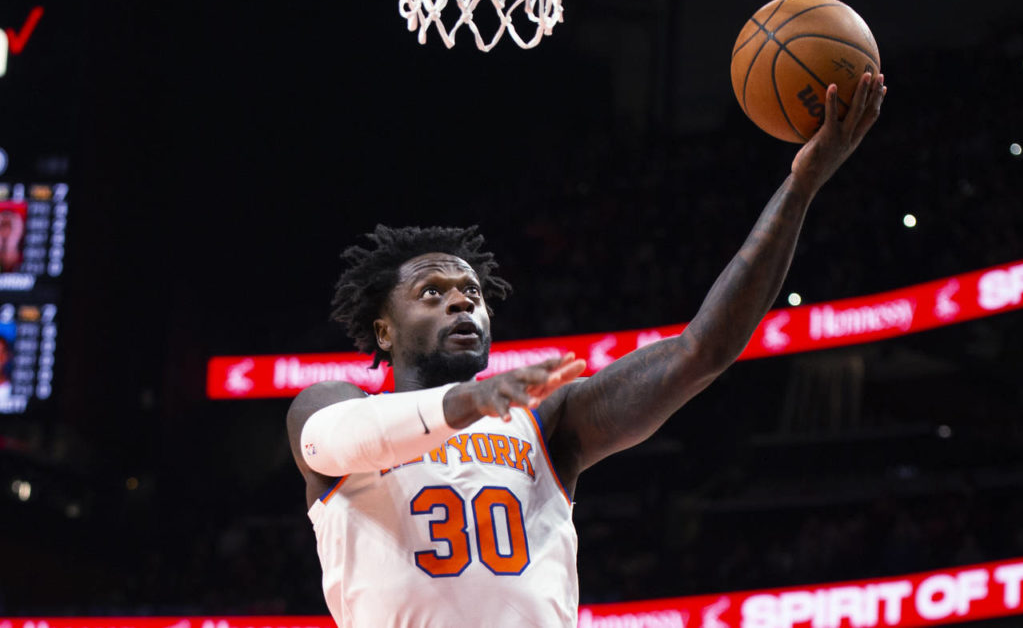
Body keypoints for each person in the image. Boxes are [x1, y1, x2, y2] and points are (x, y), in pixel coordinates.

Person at [286, 73, 887, 627]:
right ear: (383, 331)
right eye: (432, 292)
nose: (461, 301)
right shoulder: (330, 406)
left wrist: (800, 186)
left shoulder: (547, 420)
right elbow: (345, 439)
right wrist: (466, 403)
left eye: (472, 292)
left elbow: (700, 351)